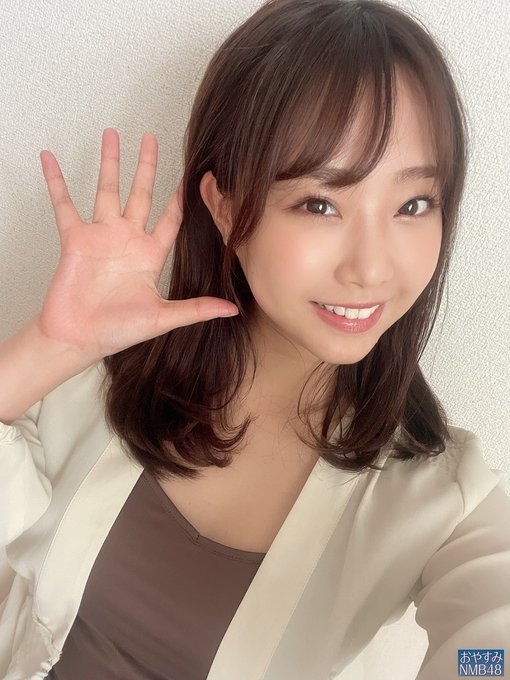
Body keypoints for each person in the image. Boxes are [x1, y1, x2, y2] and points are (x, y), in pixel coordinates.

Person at [1, 0, 509, 678]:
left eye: (413, 204)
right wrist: (49, 348)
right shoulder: (99, 377)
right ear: (226, 206)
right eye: (320, 203)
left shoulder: (438, 497)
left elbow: (491, 643)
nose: (371, 268)